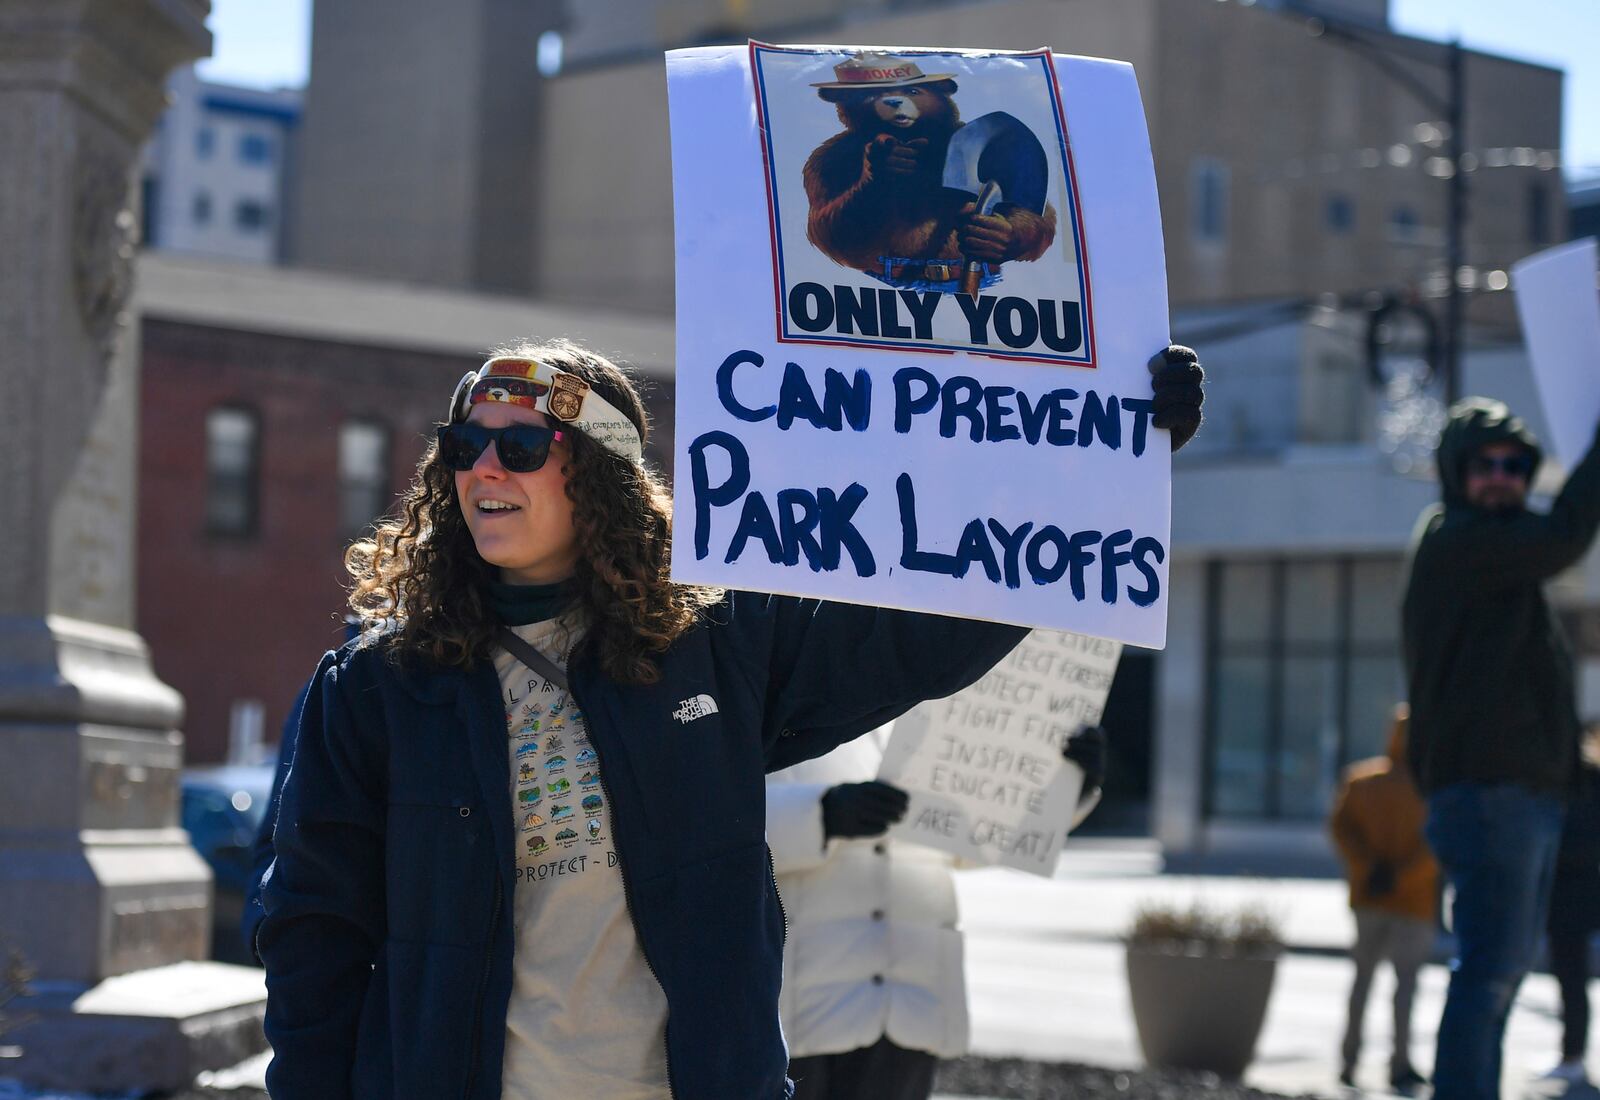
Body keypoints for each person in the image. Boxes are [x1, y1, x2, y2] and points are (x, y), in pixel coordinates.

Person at [255, 339, 1205, 1100]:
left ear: (601, 474)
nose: (481, 469)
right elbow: (312, 929)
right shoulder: (377, 685)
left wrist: (1105, 464)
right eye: (464, 447)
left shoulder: (712, 645)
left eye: (521, 446)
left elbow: (920, 639)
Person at [1402, 397, 1600, 1100]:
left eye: (1516, 466)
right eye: (1485, 465)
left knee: (1500, 975)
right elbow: (1568, 533)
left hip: (1518, 799)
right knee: (1490, 975)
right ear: (1456, 472)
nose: (1502, 478)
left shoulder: (1498, 561)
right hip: (1490, 798)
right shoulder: (1457, 539)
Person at [769, 722, 1107, 1100]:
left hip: (914, 999)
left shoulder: (940, 702)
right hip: (803, 1007)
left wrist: (1066, 789)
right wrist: (819, 815)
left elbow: (976, 839)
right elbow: (709, 822)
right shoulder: (773, 694)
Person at [1328, 705, 1437, 1092]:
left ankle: (1349, 1060)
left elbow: (1340, 829)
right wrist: (1400, 875)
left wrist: (1369, 868)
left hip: (1370, 897)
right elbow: (1435, 847)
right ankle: (1400, 1064)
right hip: (1412, 903)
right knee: (1404, 989)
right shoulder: (1431, 788)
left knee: (1362, 982)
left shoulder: (1362, 781)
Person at [1542, 728, 1600, 1085]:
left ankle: (1572, 1055)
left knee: (1571, 978)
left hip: (1569, 892)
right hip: (1576, 890)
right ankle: (1572, 1055)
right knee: (1571, 978)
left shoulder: (1563, 786)